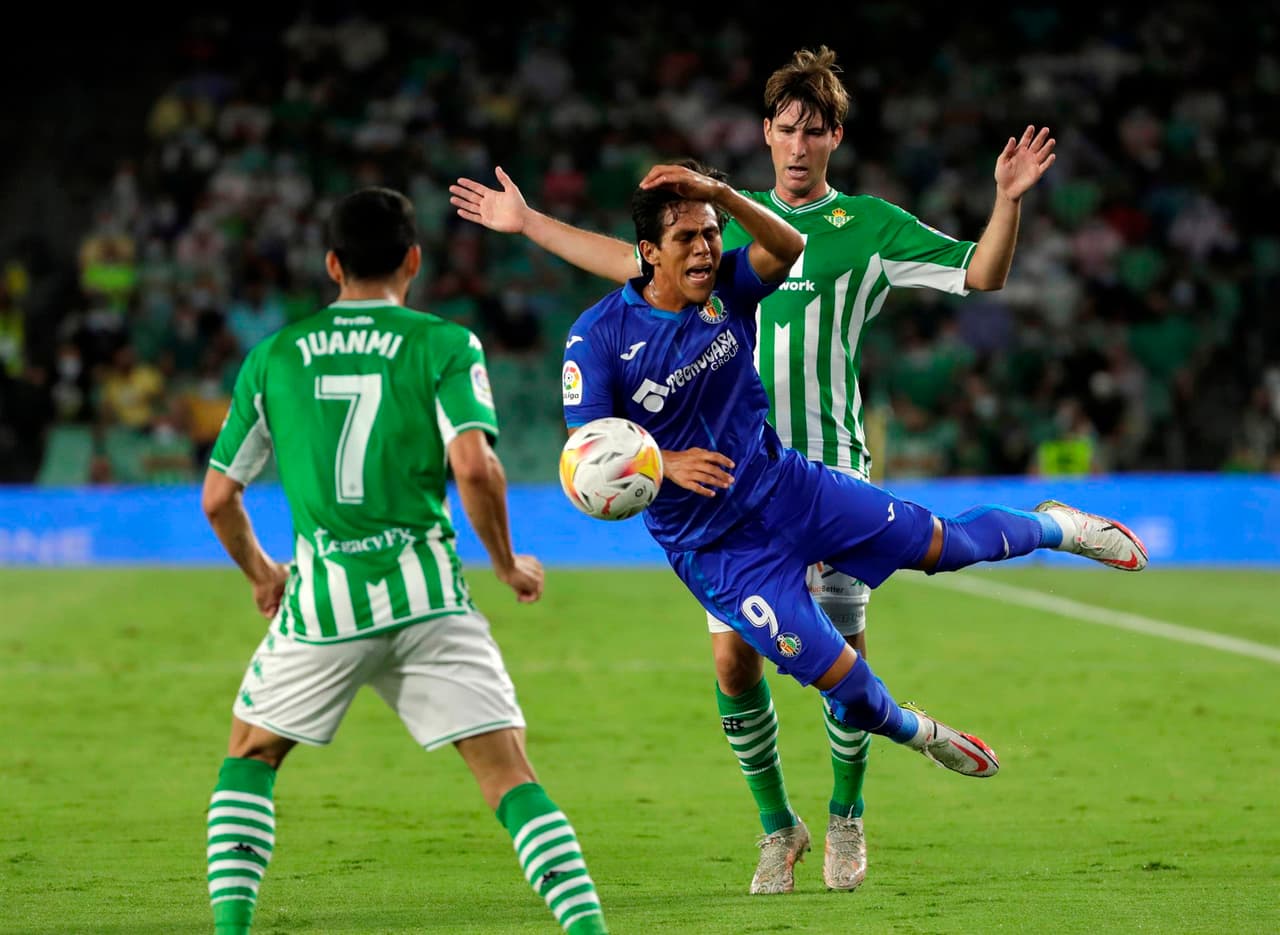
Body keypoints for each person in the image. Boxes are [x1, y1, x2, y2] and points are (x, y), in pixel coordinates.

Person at [449, 45, 1058, 894]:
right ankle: (780, 826)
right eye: (785, 129)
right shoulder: (712, 230)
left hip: (823, 462)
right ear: (766, 135)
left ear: (836, 136)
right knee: (735, 663)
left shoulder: (869, 226)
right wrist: (532, 227)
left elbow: (983, 272)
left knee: (841, 654)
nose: (799, 145)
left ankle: (847, 816)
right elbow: (631, 267)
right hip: (722, 498)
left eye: (815, 130)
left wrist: (1004, 202)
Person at [523, 157, 1143, 891]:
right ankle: (907, 744)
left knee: (945, 546)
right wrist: (662, 461)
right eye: (686, 238)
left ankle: (1056, 526)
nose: (702, 250)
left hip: (796, 485)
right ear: (648, 253)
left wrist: (720, 195)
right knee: (838, 680)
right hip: (723, 553)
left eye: (709, 235)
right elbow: (586, 462)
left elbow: (785, 249)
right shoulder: (596, 339)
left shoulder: (727, 286)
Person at [200, 187, 609, 935]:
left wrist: (264, 575)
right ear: (414, 260)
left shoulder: (273, 357)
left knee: (251, 754)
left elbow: (218, 497)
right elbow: (477, 468)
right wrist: (508, 561)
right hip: (429, 600)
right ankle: (588, 929)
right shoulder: (443, 344)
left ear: (331, 264)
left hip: (322, 604)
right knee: (508, 775)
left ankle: (231, 929)